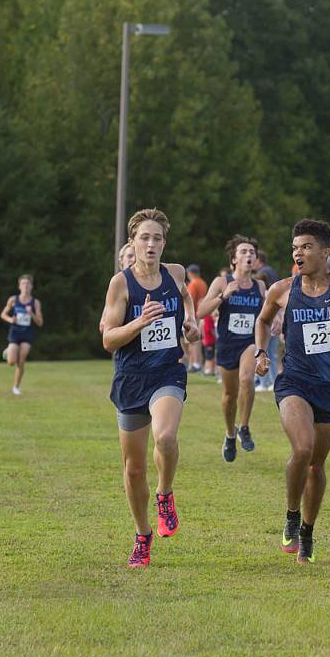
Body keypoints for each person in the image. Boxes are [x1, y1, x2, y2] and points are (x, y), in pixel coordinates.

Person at [255, 219, 330, 564]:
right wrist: (261, 352)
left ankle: (307, 531)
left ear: (325, 252)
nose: (299, 253)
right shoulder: (282, 289)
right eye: (295, 248)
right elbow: (263, 321)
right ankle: (292, 514)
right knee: (302, 448)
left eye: (306, 246)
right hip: (294, 381)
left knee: (316, 466)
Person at [102, 208, 200, 569]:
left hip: (167, 373)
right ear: (133, 242)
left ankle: (165, 493)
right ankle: (143, 535)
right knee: (133, 469)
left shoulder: (175, 273)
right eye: (145, 237)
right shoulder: (121, 284)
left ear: (164, 242)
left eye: (157, 237)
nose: (151, 243)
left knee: (166, 437)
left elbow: (186, 305)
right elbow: (109, 339)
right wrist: (141, 322)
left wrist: (189, 325)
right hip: (131, 378)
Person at [197, 235, 266, 462]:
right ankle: (230, 434)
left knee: (247, 379)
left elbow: (266, 315)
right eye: (244, 252)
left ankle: (244, 426)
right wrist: (222, 296)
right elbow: (201, 311)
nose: (249, 255)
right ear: (234, 259)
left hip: (249, 342)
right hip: (227, 344)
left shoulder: (259, 286)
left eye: (252, 253)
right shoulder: (222, 281)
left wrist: (275, 319)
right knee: (229, 395)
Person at [0, 274, 43, 396]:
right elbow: (3, 314)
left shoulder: (35, 303)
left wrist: (32, 314)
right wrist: (10, 320)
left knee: (21, 360)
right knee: (11, 362)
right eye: (23, 283)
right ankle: (9, 351)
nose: (26, 286)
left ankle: (16, 387)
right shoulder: (13, 300)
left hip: (27, 333)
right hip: (15, 333)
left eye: (28, 284)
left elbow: (40, 322)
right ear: (19, 286)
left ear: (31, 286)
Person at [254, 251, 282, 392]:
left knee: (262, 352)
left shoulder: (262, 292)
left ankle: (264, 383)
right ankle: (273, 382)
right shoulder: (272, 273)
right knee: (273, 354)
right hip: (274, 325)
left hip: (266, 326)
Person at [185, 265, 208, 372]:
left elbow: (190, 300)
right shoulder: (203, 283)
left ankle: (195, 363)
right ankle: (198, 362)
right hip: (202, 314)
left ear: (190, 273)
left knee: (193, 341)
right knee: (198, 340)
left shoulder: (193, 284)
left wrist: (189, 317)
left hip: (195, 315)